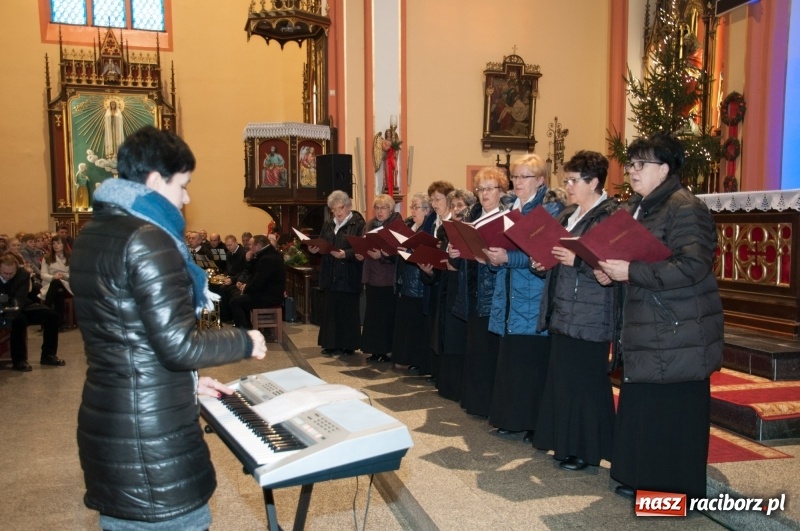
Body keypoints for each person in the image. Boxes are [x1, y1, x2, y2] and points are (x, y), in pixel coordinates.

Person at [70, 125, 267, 530]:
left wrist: (188, 383)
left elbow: (128, 339)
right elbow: (177, 345)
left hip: (112, 422)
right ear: (156, 181)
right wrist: (244, 340)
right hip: (152, 447)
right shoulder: (149, 238)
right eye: (183, 184)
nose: (187, 197)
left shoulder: (95, 233)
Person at [599, 133, 723, 500]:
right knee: (646, 406)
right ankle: (641, 478)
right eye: (631, 163)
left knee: (672, 413)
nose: (632, 171)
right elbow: (638, 258)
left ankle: (670, 493)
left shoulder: (685, 207)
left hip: (678, 328)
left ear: (664, 169)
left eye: (641, 164)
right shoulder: (640, 207)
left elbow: (694, 265)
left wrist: (630, 271)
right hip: (650, 326)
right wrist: (610, 270)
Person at [531, 150, 619, 472]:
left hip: (592, 311)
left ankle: (586, 450)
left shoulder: (610, 216)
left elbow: (613, 265)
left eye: (573, 180)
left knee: (586, 384)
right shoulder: (567, 213)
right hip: (563, 309)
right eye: (565, 180)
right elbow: (553, 255)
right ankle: (565, 444)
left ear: (594, 182)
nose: (567, 186)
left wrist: (578, 261)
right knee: (565, 380)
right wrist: (541, 262)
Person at [484, 154, 564, 440]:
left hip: (531, 291)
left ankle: (531, 422)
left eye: (524, 177)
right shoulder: (510, 208)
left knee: (530, 360)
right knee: (512, 358)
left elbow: (543, 253)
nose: (517, 182)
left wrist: (508, 258)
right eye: (515, 176)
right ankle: (510, 418)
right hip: (508, 292)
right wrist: (494, 256)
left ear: (541, 180)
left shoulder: (549, 211)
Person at [449, 167, 511, 417]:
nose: (485, 194)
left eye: (490, 188)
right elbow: (463, 256)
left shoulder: (506, 219)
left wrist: (490, 260)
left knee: (488, 350)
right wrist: (455, 254)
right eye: (481, 189)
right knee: (474, 347)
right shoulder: (471, 219)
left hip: (492, 292)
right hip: (472, 290)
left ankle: (487, 403)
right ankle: (473, 401)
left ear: (501, 191)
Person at [310, 190, 365, 356]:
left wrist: (345, 254)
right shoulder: (328, 224)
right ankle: (330, 344)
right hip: (330, 272)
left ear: (348, 206)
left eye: (340, 208)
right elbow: (322, 241)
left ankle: (348, 345)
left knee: (347, 311)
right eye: (333, 209)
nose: (337, 212)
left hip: (349, 273)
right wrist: (315, 249)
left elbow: (361, 247)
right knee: (331, 310)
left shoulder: (358, 224)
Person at [434, 189, 476, 401]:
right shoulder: (447, 230)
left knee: (459, 337)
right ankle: (447, 385)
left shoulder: (471, 228)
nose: (456, 210)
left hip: (464, 287)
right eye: (453, 206)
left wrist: (453, 262)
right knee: (448, 334)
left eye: (460, 205)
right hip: (449, 285)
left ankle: (457, 387)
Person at [390, 193, 435, 374]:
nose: (413, 211)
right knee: (405, 321)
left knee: (416, 325)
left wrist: (409, 249)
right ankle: (403, 357)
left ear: (427, 210)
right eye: (413, 207)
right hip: (405, 281)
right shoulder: (410, 225)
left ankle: (415, 360)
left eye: (416, 207)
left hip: (419, 283)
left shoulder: (427, 228)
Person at [356, 194, 401, 362]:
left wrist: (381, 255)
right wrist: (361, 254)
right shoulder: (369, 225)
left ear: (391, 210)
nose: (380, 211)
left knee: (385, 316)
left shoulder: (396, 227)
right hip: (371, 275)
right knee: (373, 315)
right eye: (377, 208)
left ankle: (385, 350)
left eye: (384, 208)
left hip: (387, 277)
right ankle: (374, 349)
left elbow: (398, 254)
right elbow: (363, 245)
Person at [0, 253, 63, 371]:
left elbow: (21, 296)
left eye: (11, 273)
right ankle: (19, 361)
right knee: (19, 320)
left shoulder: (23, 274)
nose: (8, 276)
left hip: (21, 305)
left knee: (51, 316)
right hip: (3, 309)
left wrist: (15, 308)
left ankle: (48, 355)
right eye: (4, 273)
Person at [420, 180, 456, 382]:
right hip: (435, 280)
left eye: (438, 199)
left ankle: (443, 373)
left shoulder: (452, 223)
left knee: (444, 327)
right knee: (434, 326)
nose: (434, 204)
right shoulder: (433, 222)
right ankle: (435, 370)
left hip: (449, 282)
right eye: (432, 199)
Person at [229, 234, 286, 330]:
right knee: (235, 294)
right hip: (266, 292)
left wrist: (245, 288)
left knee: (235, 301)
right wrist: (245, 285)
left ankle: (246, 330)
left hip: (269, 296)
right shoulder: (267, 254)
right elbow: (254, 275)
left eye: (251, 245)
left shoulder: (267, 258)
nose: (249, 247)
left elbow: (258, 282)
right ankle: (246, 326)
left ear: (258, 246)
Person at [39, 235, 73, 330]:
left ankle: (45, 308)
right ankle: (59, 322)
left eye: (58, 243)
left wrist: (64, 276)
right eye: (53, 243)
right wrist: (53, 277)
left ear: (64, 244)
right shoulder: (47, 257)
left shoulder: (71, 257)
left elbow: (75, 275)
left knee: (59, 285)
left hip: (67, 284)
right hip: (50, 284)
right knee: (59, 290)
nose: (55, 245)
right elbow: (43, 274)